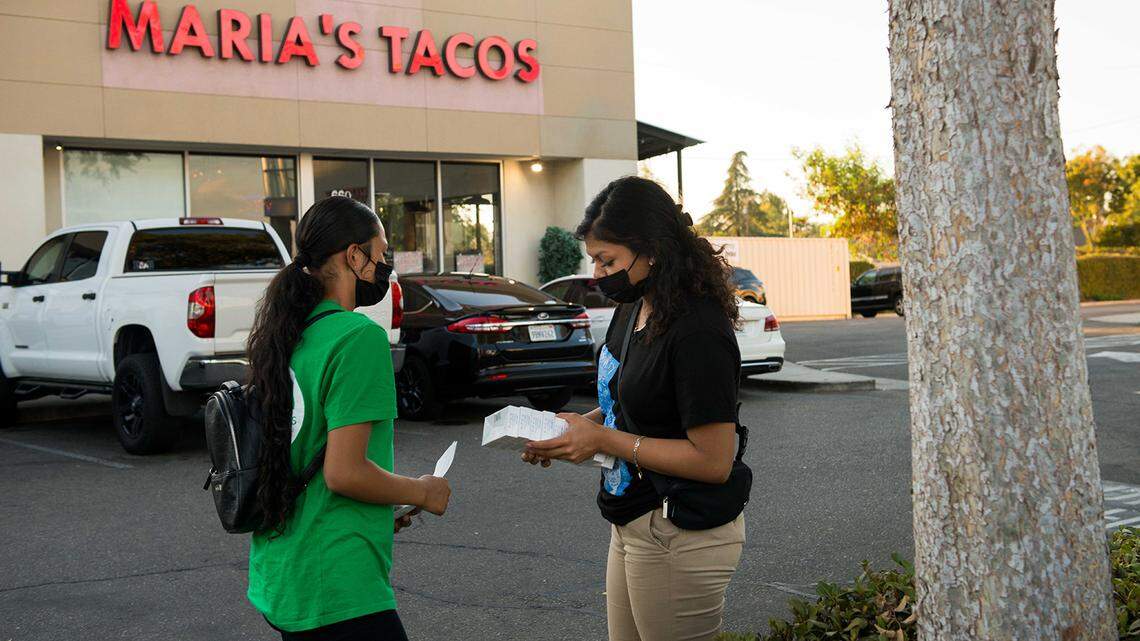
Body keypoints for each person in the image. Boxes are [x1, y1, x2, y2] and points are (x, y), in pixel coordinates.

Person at [523, 177, 747, 641]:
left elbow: (714, 460)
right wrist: (571, 430)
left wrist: (603, 440)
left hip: (680, 530)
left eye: (609, 260)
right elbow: (626, 402)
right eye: (594, 261)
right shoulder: (637, 307)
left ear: (652, 251)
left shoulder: (697, 330)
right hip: (630, 522)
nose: (599, 274)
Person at [245, 196, 451, 640]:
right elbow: (344, 472)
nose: (385, 267)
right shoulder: (358, 338)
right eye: (380, 254)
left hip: (285, 571)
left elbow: (310, 453)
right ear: (353, 255)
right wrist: (423, 491)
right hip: (337, 583)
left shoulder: (287, 334)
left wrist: (382, 505)